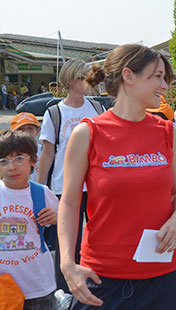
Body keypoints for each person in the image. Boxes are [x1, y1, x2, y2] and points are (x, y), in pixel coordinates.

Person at [58, 44, 176, 309]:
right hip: (103, 280)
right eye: (157, 76)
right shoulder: (88, 133)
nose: (164, 85)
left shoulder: (168, 131)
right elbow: (70, 203)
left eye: (165, 78)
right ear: (128, 77)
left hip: (165, 278)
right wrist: (66, 264)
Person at [37, 58, 103, 293]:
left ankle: (96, 286)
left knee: (97, 239)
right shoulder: (55, 113)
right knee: (68, 245)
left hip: (95, 186)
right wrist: (38, 189)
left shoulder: (96, 108)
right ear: (69, 80)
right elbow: (47, 154)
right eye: (83, 77)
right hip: (64, 187)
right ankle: (64, 292)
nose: (89, 82)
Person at [0, 130, 58, 310]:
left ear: (33, 160)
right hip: (3, 286)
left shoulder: (42, 193)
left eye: (19, 158)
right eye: (3, 161)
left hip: (38, 285)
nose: (12, 167)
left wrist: (56, 219)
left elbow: (67, 221)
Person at [10, 112, 41, 182]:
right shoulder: (7, 153)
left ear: (38, 131)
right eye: (21, 130)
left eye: (30, 129)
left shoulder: (46, 152)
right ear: (13, 132)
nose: (26, 133)